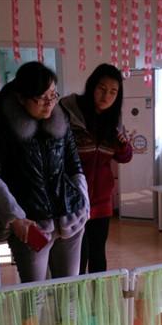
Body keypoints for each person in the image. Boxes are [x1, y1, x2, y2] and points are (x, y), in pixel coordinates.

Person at [0, 61, 89, 283]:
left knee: (69, 291)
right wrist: (15, 218)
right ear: (21, 98)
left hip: (69, 216)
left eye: (53, 95)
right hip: (30, 224)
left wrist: (84, 203)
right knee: (34, 294)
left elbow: (74, 165)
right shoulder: (3, 122)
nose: (49, 103)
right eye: (41, 98)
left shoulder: (61, 117)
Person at [60, 63, 132, 273]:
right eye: (102, 88)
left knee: (98, 253)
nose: (106, 96)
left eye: (113, 91)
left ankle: (97, 295)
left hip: (102, 200)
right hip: (74, 199)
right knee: (78, 255)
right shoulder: (70, 115)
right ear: (92, 86)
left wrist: (122, 145)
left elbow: (125, 157)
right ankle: (78, 294)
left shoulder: (114, 120)